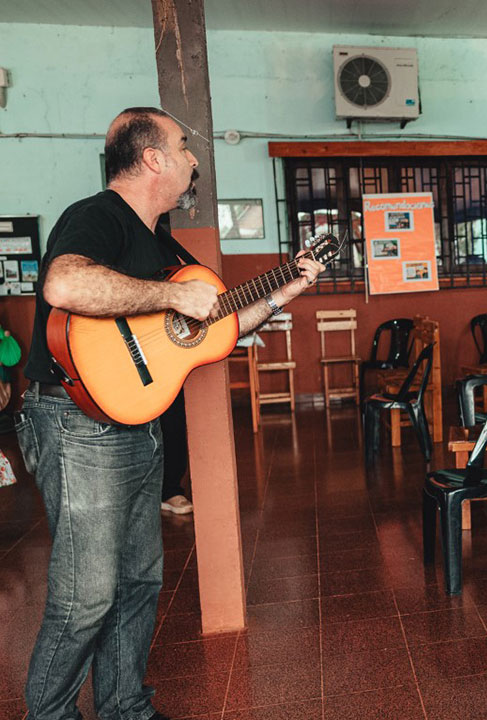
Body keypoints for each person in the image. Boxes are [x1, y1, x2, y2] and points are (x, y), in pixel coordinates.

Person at [15, 107, 326, 720]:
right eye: (183, 147)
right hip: (77, 424)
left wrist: (281, 292)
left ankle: (126, 707)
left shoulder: (160, 240)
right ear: (152, 158)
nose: (192, 159)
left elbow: (211, 328)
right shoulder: (96, 215)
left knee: (139, 583)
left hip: (134, 421)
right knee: (85, 597)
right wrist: (169, 293)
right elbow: (63, 286)